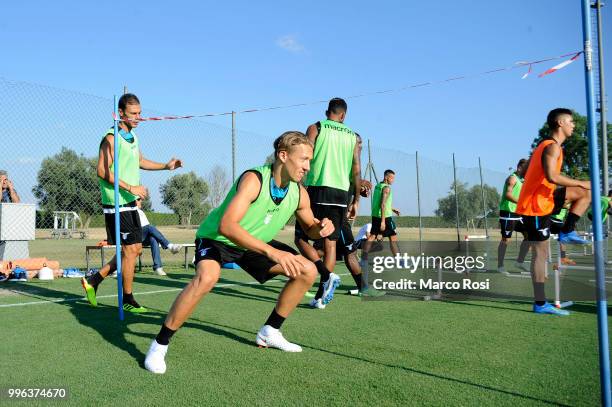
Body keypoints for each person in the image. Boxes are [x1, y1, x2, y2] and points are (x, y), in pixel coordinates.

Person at [144, 131, 334, 374]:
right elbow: (227, 226)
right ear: (283, 156)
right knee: (207, 278)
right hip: (218, 239)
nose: (308, 166)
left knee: (306, 270)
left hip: (252, 244)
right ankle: (159, 345)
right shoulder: (254, 180)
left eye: (310, 160)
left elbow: (310, 228)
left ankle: (270, 331)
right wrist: (272, 253)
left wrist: (321, 228)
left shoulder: (299, 192)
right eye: (304, 159)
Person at [81, 93, 183, 314]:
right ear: (120, 114)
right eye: (133, 114)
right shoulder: (110, 138)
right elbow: (102, 171)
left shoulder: (133, 137)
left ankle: (94, 279)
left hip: (129, 203)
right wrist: (131, 188)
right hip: (117, 203)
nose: (138, 117)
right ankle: (127, 299)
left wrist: (166, 166)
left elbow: (141, 161)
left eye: (140, 113)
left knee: (133, 250)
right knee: (131, 250)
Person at [516, 108, 591, 316]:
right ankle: (540, 303)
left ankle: (567, 230)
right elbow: (551, 176)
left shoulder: (547, 146)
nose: (573, 125)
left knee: (585, 194)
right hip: (535, 207)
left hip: (544, 200)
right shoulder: (551, 147)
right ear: (560, 123)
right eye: (571, 121)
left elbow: (532, 172)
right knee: (540, 255)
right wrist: (581, 181)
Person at [294, 98, 361, 308]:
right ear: (343, 115)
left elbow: (305, 155)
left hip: (318, 188)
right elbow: (356, 169)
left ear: (327, 112)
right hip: (342, 194)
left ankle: (325, 275)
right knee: (330, 243)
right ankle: (321, 297)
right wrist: (355, 200)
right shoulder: (353, 136)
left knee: (300, 239)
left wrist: (299, 183)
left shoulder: (316, 128)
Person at [497, 159, 530, 273]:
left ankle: (519, 262)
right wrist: (522, 202)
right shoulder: (512, 178)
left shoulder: (523, 180)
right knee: (506, 240)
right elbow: (508, 195)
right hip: (508, 213)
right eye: (526, 168)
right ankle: (500, 266)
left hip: (519, 214)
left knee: (529, 235)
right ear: (520, 168)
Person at [361, 169, 401, 263]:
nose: (393, 180)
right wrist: (383, 221)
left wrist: (392, 208)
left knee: (371, 237)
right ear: (386, 177)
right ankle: (399, 261)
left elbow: (381, 203)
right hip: (385, 217)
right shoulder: (387, 188)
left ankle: (363, 260)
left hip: (375, 216)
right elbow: (382, 204)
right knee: (393, 238)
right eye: (391, 178)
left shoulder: (378, 186)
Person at [136, 199, 183, 276]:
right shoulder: (131, 212)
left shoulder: (141, 212)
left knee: (153, 238)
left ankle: (158, 268)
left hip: (143, 237)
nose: (140, 201)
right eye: (138, 200)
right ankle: (170, 246)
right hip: (135, 237)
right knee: (150, 227)